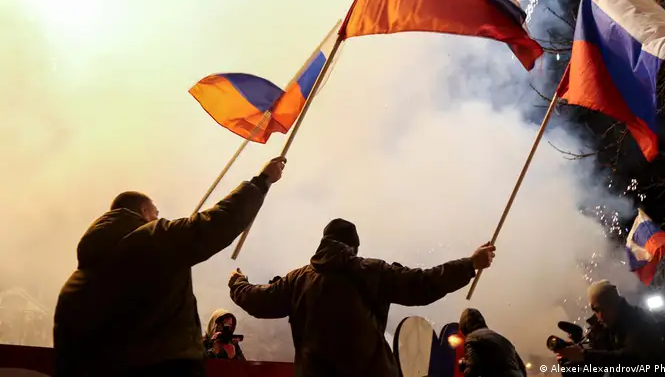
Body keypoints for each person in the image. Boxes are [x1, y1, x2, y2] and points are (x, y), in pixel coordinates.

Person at [53, 156, 286, 377]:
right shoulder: (153, 240)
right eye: (156, 213)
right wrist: (262, 181)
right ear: (145, 212)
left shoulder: (74, 288)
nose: (158, 218)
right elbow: (216, 223)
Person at [228, 218, 496, 377]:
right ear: (354, 247)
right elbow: (423, 283)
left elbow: (257, 300)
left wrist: (237, 282)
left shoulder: (297, 280)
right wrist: (469, 264)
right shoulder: (373, 271)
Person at [557, 280, 665, 376]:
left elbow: (631, 357)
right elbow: (600, 356)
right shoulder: (606, 327)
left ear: (616, 304)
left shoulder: (638, 321)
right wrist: (576, 347)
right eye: (596, 310)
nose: (600, 316)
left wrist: (585, 355)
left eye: (605, 309)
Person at [458, 308, 526, 377]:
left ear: (464, 326)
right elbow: (522, 367)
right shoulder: (504, 340)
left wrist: (465, 367)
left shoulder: (472, 338)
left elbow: (472, 370)